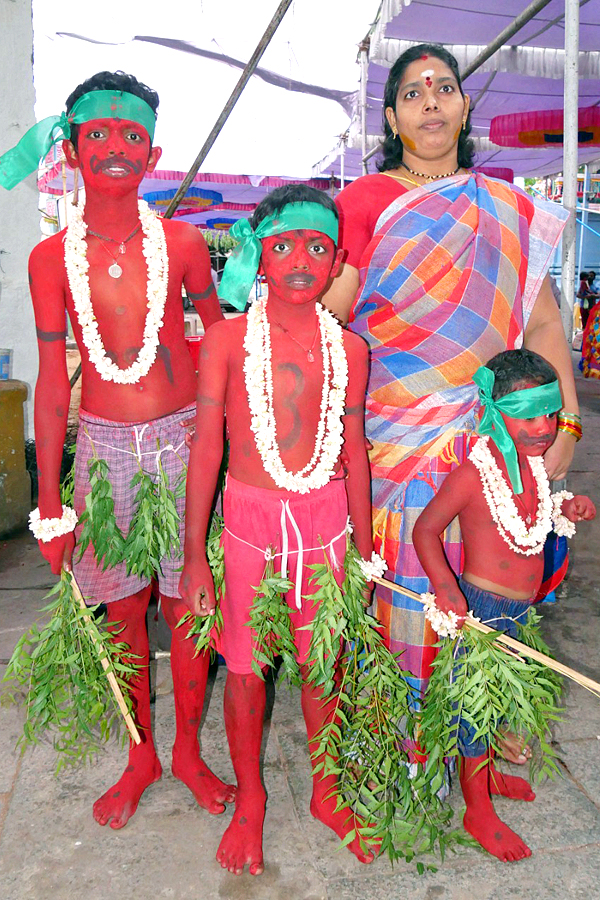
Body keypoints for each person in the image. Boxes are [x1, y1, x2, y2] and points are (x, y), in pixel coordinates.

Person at [322, 44, 579, 754]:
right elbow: (332, 317)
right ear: (393, 117)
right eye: (412, 92)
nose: (430, 100)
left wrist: (568, 426)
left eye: (444, 87)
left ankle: (485, 721)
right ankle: (404, 727)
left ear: (466, 105)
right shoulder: (364, 200)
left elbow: (543, 321)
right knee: (407, 578)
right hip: (394, 437)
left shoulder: (504, 204)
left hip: (494, 438)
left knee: (497, 581)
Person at [16, 71, 232, 829]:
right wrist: (51, 506)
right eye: (98, 134)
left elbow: (222, 342)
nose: (115, 146)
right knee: (122, 606)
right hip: (105, 451)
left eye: (131, 135)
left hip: (183, 439)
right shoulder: (51, 258)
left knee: (190, 604)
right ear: (71, 150)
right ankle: (140, 755)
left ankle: (189, 753)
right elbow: (50, 384)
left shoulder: (180, 242)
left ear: (155, 152)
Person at [180, 185, 375, 875]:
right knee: (244, 669)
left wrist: (367, 548)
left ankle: (326, 792)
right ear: (259, 253)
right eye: (284, 243)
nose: (300, 259)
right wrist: (194, 558)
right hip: (250, 525)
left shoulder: (350, 347)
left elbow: (352, 451)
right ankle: (252, 800)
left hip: (326, 526)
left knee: (325, 663)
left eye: (318, 247)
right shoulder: (229, 339)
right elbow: (208, 447)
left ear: (338, 261)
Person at [412, 349, 595, 862]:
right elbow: (426, 529)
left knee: (503, 705)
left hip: (522, 613)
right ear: (494, 409)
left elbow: (528, 512)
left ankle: (488, 773)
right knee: (475, 709)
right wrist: (446, 588)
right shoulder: (474, 472)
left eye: (550, 414)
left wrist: (566, 506)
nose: (543, 427)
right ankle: (476, 809)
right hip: (482, 612)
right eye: (528, 414)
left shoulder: (534, 465)